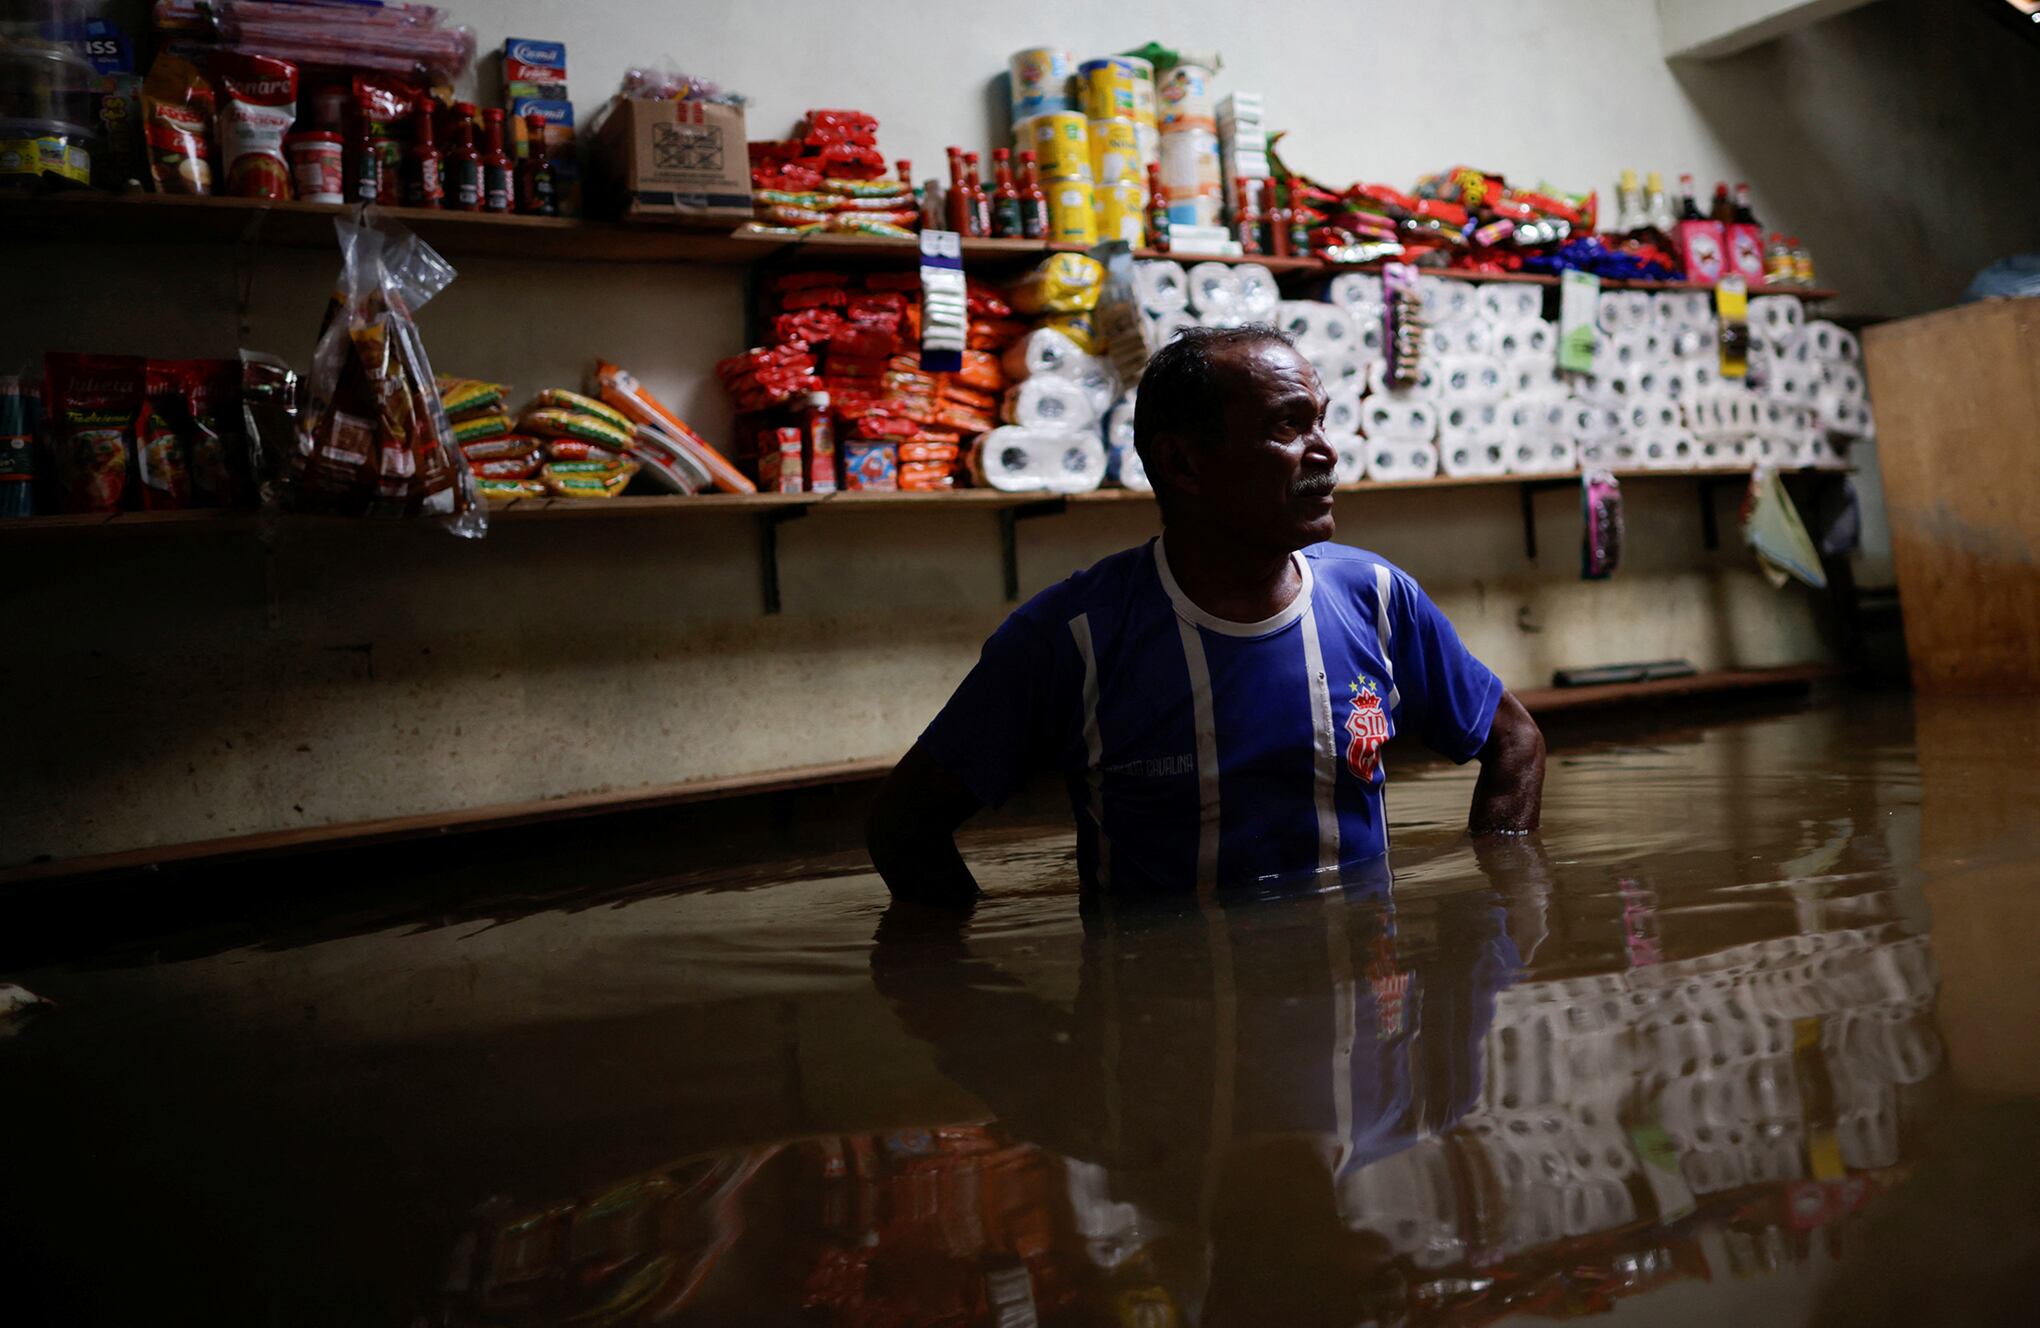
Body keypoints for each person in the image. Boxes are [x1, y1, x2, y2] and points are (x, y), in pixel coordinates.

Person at [867, 326, 1545, 902]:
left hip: (1358, 1035)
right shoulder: (1072, 638)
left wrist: (1500, 894)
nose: (1327, 452)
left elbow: (1515, 742)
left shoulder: (1377, 599)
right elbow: (905, 828)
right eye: (1287, 424)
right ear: (1182, 463)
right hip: (1164, 1038)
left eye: (1321, 419)